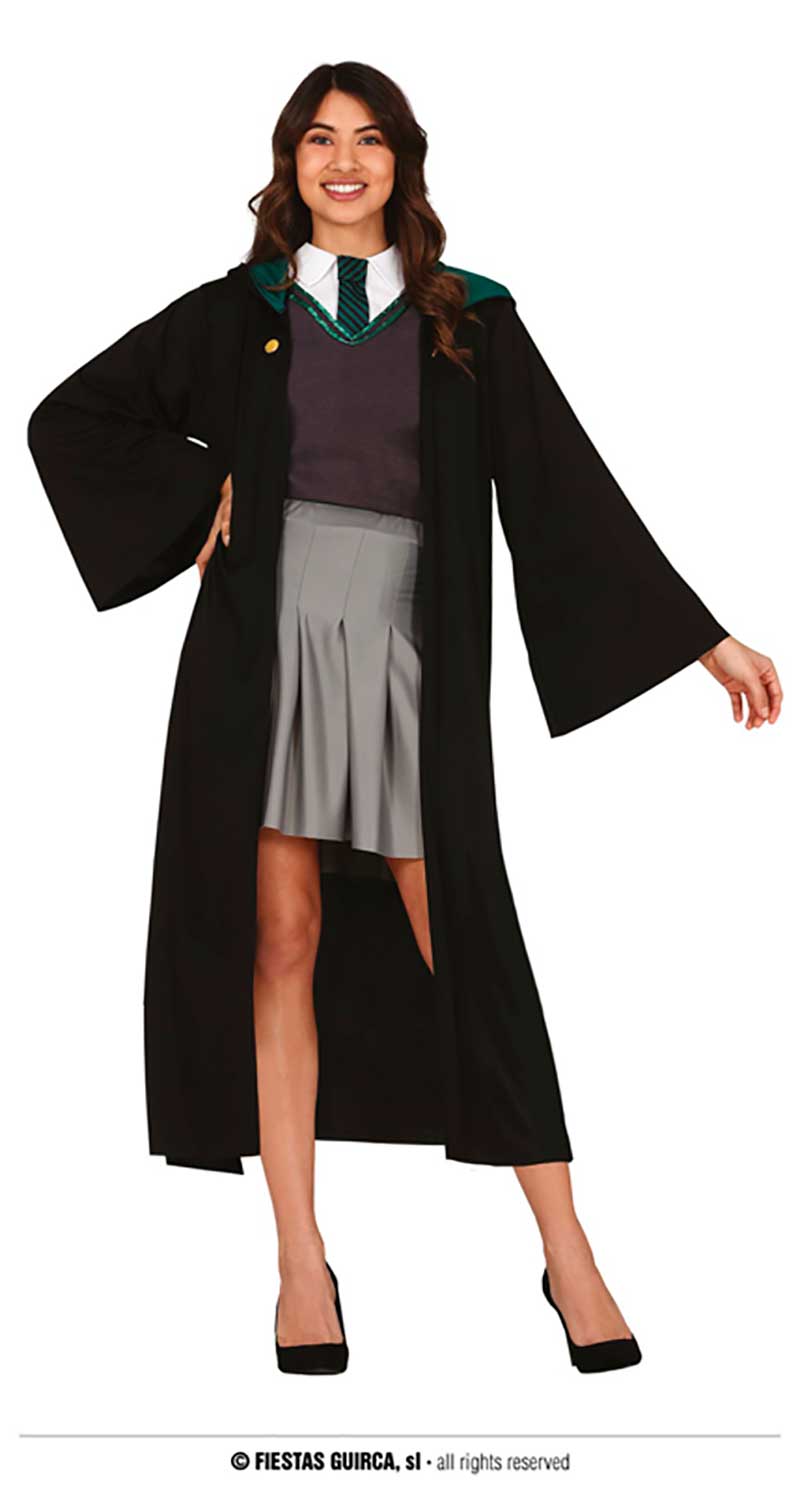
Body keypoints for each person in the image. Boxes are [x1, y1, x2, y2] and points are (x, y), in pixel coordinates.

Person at [27, 61, 783, 1377]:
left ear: (403, 163)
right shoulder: (240, 313)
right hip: (262, 650)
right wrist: (200, 498)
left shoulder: (466, 316)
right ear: (289, 163)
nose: (344, 161)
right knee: (280, 939)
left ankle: (567, 1248)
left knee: (465, 937)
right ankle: (300, 1261)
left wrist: (698, 634)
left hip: (406, 647)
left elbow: (560, 482)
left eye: (369, 139)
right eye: (320, 139)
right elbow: (72, 417)